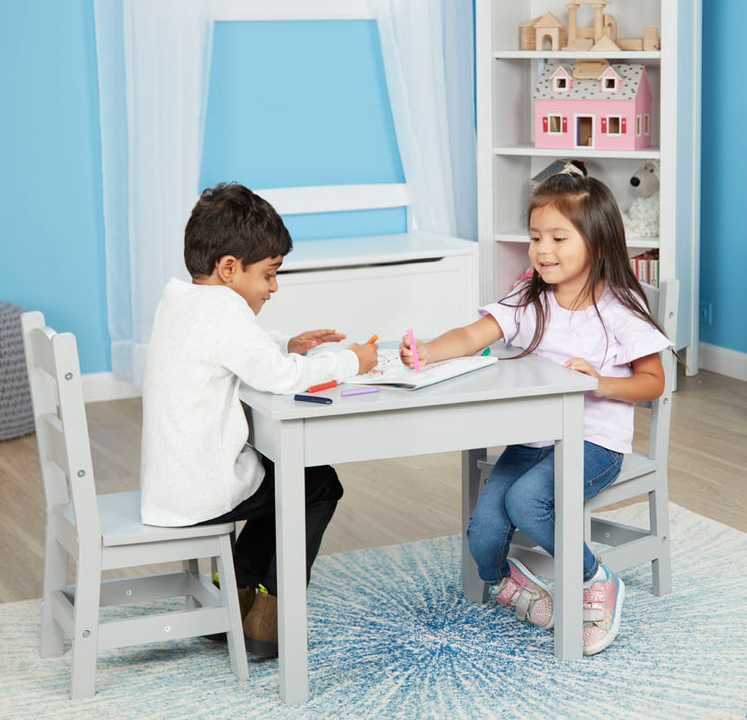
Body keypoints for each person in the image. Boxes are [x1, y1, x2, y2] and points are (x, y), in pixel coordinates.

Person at [399, 173, 673, 656]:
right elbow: (470, 336)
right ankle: (510, 585)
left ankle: (596, 579)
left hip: (595, 441)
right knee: (482, 529)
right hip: (532, 439)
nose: (543, 249)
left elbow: (655, 382)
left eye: (558, 238)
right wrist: (427, 350)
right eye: (535, 237)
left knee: (527, 502)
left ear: (599, 243)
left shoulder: (620, 308)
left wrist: (600, 382)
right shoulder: (529, 299)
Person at [140, 182, 378, 658]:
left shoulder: (184, 300)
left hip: (172, 481)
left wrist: (284, 344)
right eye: (269, 275)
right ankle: (270, 615)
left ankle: (237, 592)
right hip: (201, 488)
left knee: (293, 482)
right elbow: (279, 379)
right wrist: (353, 361)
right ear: (230, 269)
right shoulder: (225, 315)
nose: (274, 287)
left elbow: (231, 350)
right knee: (318, 484)